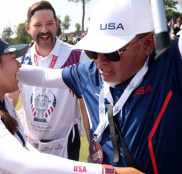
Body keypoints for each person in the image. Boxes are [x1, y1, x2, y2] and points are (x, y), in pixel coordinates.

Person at [16, 0, 182, 173]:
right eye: (92, 52)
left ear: (147, 43)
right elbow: (43, 76)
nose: (100, 62)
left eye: (112, 52)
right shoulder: (89, 73)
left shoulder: (171, 64)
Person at [0, 32, 142, 174]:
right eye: (12, 58)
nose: (19, 64)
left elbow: (27, 151)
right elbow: (23, 162)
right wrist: (107, 172)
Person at [7, 0, 90, 160]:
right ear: (28, 28)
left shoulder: (77, 55)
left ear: (57, 24)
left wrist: (93, 144)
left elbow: (85, 105)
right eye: (38, 25)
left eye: (49, 23)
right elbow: (12, 96)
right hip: (30, 144)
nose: (44, 30)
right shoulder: (20, 59)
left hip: (66, 143)